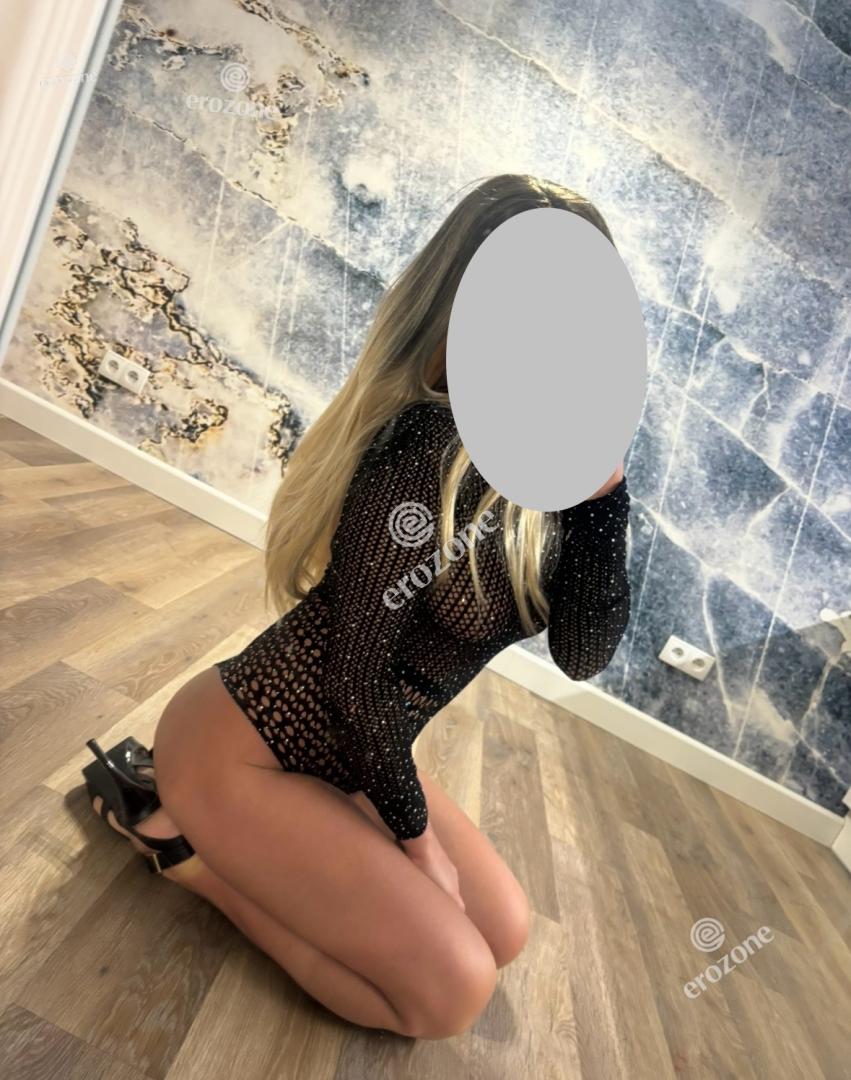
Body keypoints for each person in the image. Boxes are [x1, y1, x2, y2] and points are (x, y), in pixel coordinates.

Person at [82, 173, 633, 1041]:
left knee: (505, 932)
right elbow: (353, 675)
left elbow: (583, 653)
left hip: (354, 756)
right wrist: (418, 845)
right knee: (449, 994)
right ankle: (186, 854)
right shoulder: (424, 448)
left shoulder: (551, 485)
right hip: (246, 748)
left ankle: (275, 844)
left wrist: (606, 498)